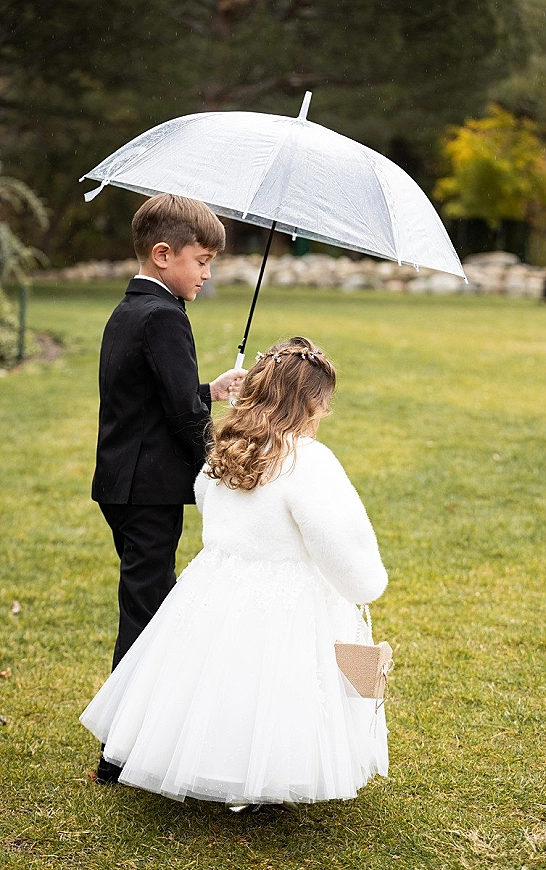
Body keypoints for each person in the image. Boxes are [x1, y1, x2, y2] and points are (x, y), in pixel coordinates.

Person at [81, 337, 389, 807]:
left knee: (215, 679)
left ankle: (205, 758)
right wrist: (365, 584)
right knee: (271, 684)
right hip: (287, 598)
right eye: (324, 401)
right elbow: (340, 544)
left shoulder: (222, 453)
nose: (326, 411)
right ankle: (266, 772)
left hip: (215, 587)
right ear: (309, 402)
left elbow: (209, 505)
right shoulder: (308, 462)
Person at [91, 193, 245, 785]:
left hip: (124, 484)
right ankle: (120, 751)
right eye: (202, 260)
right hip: (149, 489)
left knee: (148, 604)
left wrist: (211, 388)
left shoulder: (131, 309)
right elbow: (180, 415)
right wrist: (219, 466)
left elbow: (156, 397)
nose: (207, 273)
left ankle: (132, 738)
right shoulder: (164, 317)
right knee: (148, 613)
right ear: (163, 255)